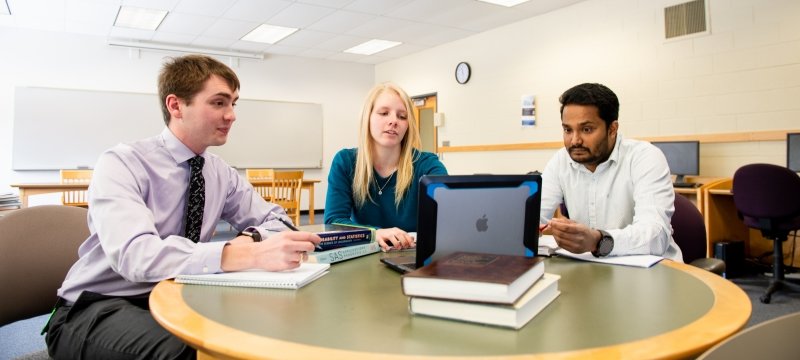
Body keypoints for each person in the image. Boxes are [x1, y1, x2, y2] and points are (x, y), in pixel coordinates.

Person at [44, 54, 321, 359]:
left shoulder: (220, 172)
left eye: (233, 104)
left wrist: (251, 239)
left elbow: (278, 220)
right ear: (175, 106)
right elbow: (136, 256)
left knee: (259, 333)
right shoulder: (122, 163)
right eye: (219, 102)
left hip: (175, 297)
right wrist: (236, 253)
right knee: (194, 353)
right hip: (97, 305)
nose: (231, 115)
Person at [539, 83, 682, 261]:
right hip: (593, 271)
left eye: (586, 129)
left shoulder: (644, 157)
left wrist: (598, 241)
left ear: (612, 129)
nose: (575, 140)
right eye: (568, 129)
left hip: (653, 271)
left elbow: (655, 236)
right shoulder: (561, 161)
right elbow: (534, 215)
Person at [324, 82, 447, 251]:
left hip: (412, 255)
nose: (393, 121)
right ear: (367, 118)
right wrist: (375, 233)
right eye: (384, 113)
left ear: (408, 125)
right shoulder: (345, 162)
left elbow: (447, 215)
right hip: (363, 254)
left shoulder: (427, 165)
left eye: (402, 116)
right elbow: (333, 222)